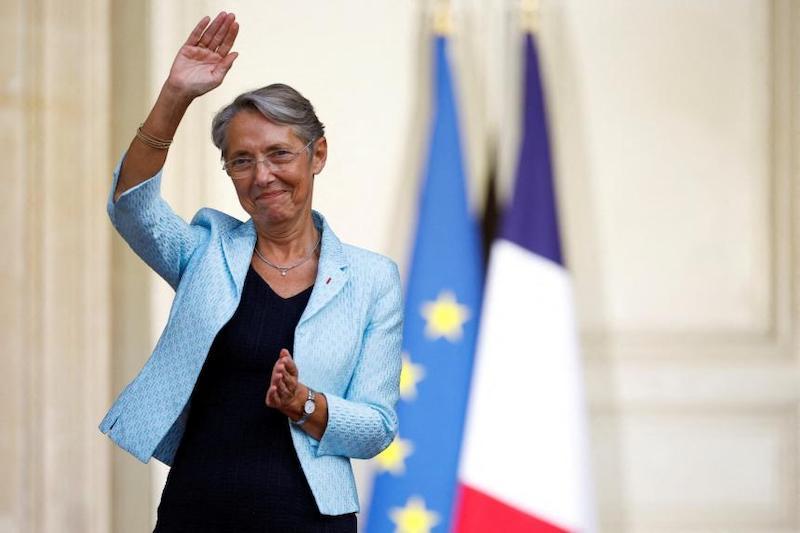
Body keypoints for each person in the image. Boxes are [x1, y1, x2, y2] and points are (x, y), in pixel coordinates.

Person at [99, 12, 403, 532]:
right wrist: (174, 95)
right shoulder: (206, 251)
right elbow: (132, 207)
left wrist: (302, 402)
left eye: (279, 153)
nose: (262, 175)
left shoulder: (373, 279)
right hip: (196, 512)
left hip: (310, 518)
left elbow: (376, 427)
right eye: (241, 161)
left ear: (317, 155)